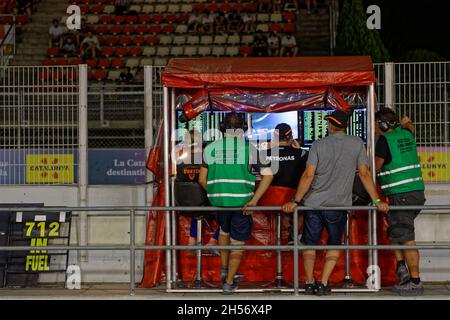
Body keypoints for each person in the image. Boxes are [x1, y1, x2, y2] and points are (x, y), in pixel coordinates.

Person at [282, 109, 389, 296]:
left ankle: (308, 282)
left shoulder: (318, 144)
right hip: (339, 205)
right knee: (334, 243)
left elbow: (308, 175)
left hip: (313, 204)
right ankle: (323, 283)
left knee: (309, 244)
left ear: (330, 125)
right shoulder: (357, 143)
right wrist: (377, 200)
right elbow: (364, 174)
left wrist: (295, 200)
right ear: (346, 126)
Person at [199, 112, 274, 294]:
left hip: (219, 203)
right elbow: (268, 175)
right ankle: (229, 281)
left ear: (223, 129)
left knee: (224, 231)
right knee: (237, 242)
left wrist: (216, 194)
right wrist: (254, 200)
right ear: (243, 130)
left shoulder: (210, 148)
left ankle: (224, 271)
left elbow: (202, 179)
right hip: (242, 204)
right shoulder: (251, 149)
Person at [375, 108, 426, 295]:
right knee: (396, 232)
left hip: (401, 194)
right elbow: (411, 127)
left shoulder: (384, 141)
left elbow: (376, 168)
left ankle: (415, 281)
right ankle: (402, 269)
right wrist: (406, 123)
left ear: (382, 124)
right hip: (416, 192)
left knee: (407, 239)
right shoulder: (407, 133)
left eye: (375, 123)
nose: (374, 127)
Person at [174, 130, 220, 255]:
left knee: (197, 205)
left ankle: (191, 240)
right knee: (227, 212)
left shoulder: (179, 158)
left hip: (184, 203)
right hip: (204, 202)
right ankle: (213, 241)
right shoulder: (207, 157)